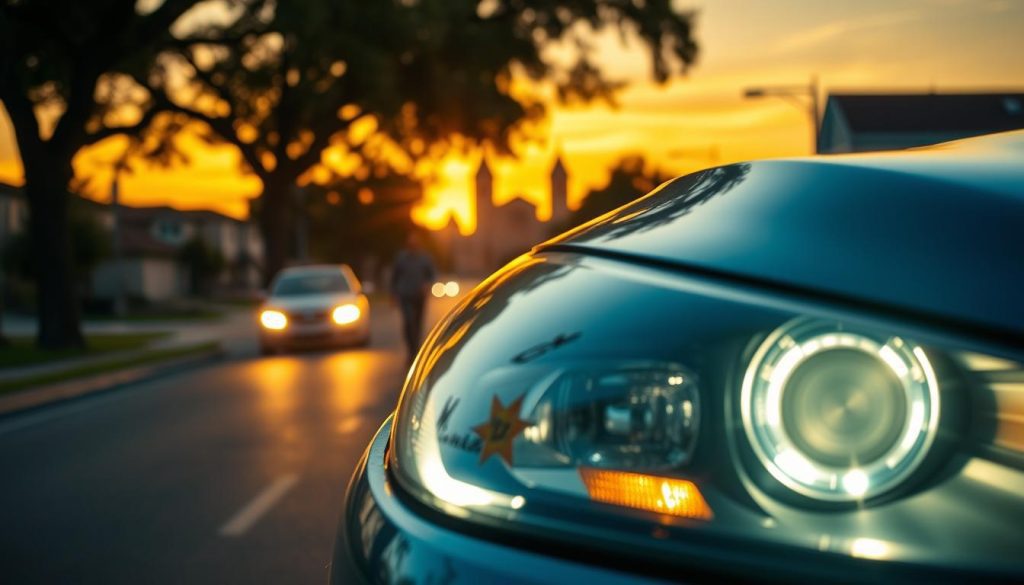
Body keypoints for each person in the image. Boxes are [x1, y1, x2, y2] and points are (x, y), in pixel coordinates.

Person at [390, 232, 437, 359]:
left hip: (419, 297)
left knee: (417, 324)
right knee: (408, 323)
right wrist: (393, 295)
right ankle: (411, 350)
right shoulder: (401, 258)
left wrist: (427, 284)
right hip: (405, 296)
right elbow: (394, 277)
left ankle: (415, 351)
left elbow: (432, 275)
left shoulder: (425, 258)